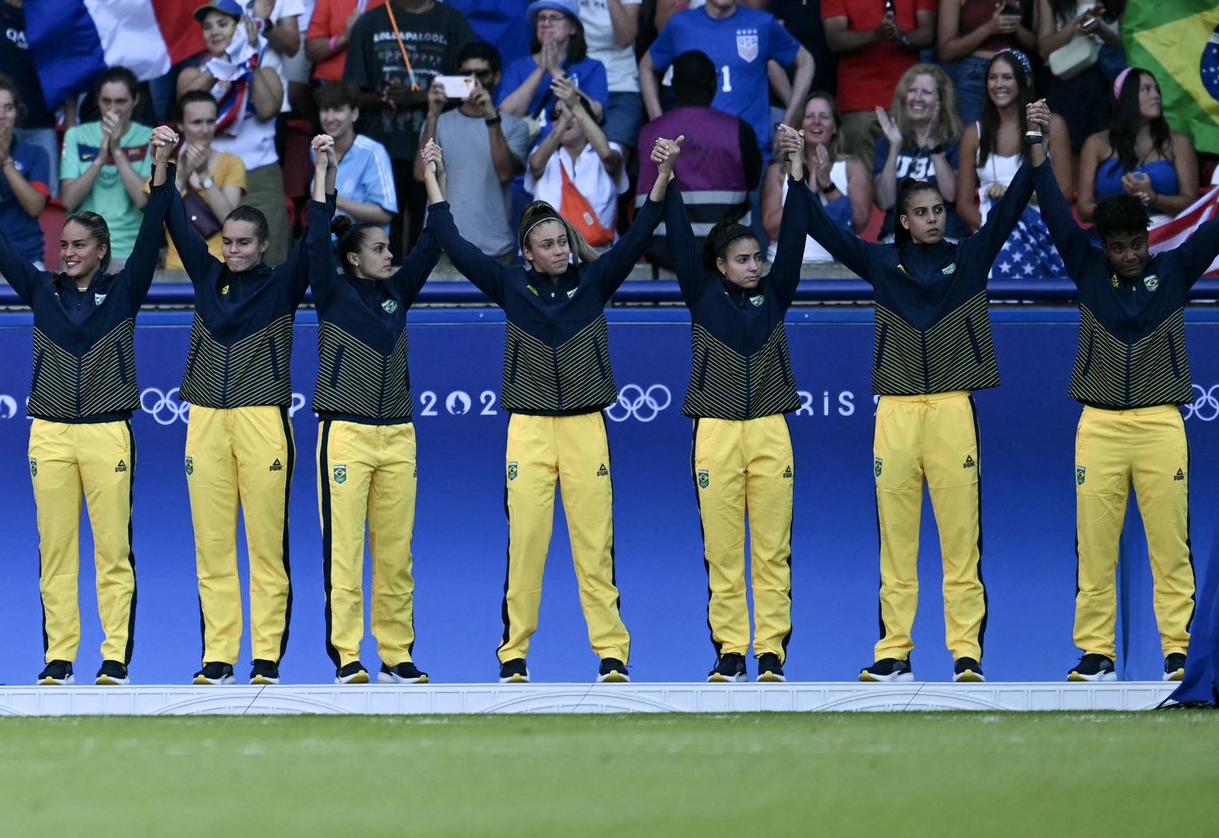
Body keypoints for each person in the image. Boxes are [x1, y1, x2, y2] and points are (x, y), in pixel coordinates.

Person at [797, 152, 1041, 682]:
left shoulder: (971, 258)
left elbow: (1011, 208)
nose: (934, 218)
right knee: (897, 541)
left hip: (954, 408)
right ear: (903, 221)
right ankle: (894, 653)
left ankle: (966, 654)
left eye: (939, 210)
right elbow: (823, 229)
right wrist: (799, 178)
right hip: (897, 413)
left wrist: (1034, 148)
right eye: (923, 212)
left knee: (961, 540)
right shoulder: (882, 263)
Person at [428, 183, 665, 681]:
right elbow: (453, 242)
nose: (559, 250)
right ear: (528, 254)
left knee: (594, 547)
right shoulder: (510, 285)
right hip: (529, 430)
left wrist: (662, 177)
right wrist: (435, 180)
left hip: (585, 428)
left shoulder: (596, 280)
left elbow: (640, 231)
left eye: (563, 241)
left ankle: (612, 654)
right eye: (548, 245)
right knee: (527, 545)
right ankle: (513, 655)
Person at [1032, 167, 1219, 681]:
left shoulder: (1176, 269)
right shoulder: (1088, 271)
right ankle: (1097, 654)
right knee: (1094, 549)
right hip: (1100, 428)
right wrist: (1039, 152)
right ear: (1103, 247)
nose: (1131, 255)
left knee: (1169, 547)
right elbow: (1052, 212)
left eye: (1137, 244)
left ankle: (1180, 652)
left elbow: (1215, 227)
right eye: (1119, 247)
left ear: (1148, 239)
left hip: (1161, 425)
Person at [0, 145, 147, 684]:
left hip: (107, 433)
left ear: (102, 251)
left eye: (78, 246)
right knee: (56, 550)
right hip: (48, 434)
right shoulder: (41, 289)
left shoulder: (124, 291)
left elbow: (159, 220)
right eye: (63, 243)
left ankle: (114, 656)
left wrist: (161, 173)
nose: (67, 252)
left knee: (113, 551)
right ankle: (60, 657)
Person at [654, 124, 816, 682]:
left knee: (772, 551)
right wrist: (667, 176)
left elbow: (793, 236)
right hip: (715, 432)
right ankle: (730, 650)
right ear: (720, 265)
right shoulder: (700, 295)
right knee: (723, 553)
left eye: (756, 258)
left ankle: (770, 650)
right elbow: (676, 236)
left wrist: (795, 174)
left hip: (771, 429)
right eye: (742, 259)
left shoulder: (777, 294)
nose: (753, 266)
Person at [148, 129, 306, 682]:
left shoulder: (283, 286)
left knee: (266, 548)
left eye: (244, 242)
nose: (233, 250)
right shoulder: (206, 275)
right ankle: (218, 657)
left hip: (263, 420)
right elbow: (170, 216)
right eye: (228, 242)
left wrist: (324, 179)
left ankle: (266, 656)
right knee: (212, 548)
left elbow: (318, 246)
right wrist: (163, 163)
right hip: (205, 423)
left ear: (264, 246)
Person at [310, 135, 445, 683]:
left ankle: (397, 654)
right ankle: (347, 656)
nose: (391, 254)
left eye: (391, 248)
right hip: (346, 433)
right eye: (379, 249)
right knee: (345, 553)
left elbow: (434, 241)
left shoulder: (399, 291)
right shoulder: (331, 290)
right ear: (352, 257)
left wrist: (433, 178)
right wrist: (325, 171)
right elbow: (316, 241)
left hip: (398, 437)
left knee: (395, 554)